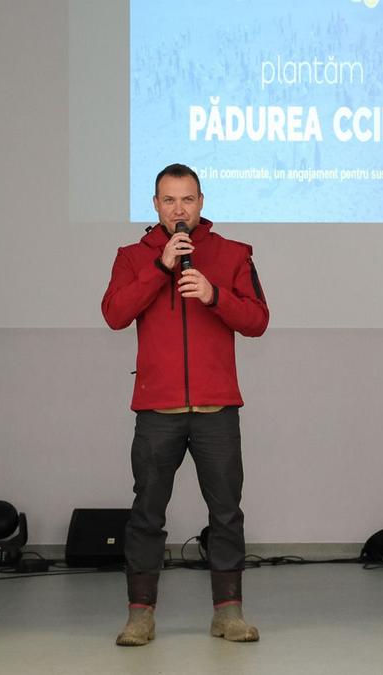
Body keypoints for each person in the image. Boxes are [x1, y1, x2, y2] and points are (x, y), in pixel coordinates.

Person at [101, 163, 269, 646]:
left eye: (188, 199)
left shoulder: (233, 253)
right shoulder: (132, 257)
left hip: (218, 409)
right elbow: (114, 314)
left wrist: (215, 295)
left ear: (201, 203)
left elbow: (257, 320)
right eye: (170, 200)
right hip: (158, 410)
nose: (179, 209)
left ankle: (228, 613)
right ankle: (140, 616)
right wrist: (160, 269)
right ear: (156, 205)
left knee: (226, 513)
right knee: (147, 513)